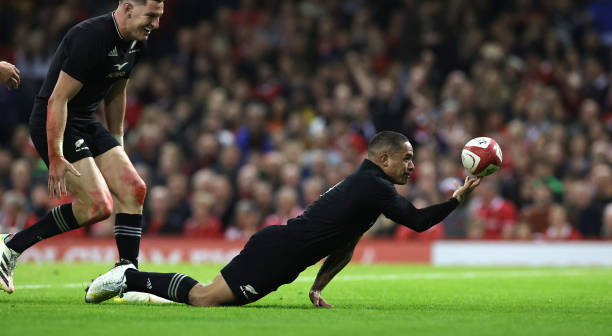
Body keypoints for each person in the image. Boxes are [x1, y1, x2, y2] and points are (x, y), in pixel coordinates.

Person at [85, 131, 481, 307]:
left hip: (281, 256)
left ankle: (139, 288)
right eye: (407, 158)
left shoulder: (369, 189)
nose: (412, 166)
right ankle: (128, 277)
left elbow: (344, 246)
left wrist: (317, 287)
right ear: (384, 159)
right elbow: (417, 221)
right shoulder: (375, 187)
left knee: (206, 297)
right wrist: (456, 200)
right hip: (275, 254)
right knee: (203, 299)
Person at [0, 0, 164, 294]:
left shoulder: (136, 42)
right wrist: (56, 155)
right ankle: (11, 246)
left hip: (86, 120)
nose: (156, 24)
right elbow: (57, 100)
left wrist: (118, 145)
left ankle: (128, 278)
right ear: (128, 8)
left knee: (133, 188)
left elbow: (117, 91)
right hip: (55, 120)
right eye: (151, 16)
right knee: (98, 206)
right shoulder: (90, 37)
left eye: (159, 16)